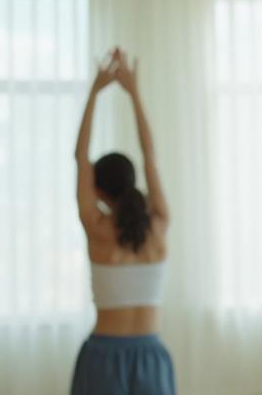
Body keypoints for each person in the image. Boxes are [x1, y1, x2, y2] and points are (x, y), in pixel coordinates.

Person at [71, 48, 175, 395]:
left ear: (98, 189)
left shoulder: (98, 229)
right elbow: (152, 158)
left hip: (104, 357)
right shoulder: (158, 225)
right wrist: (133, 93)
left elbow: (80, 157)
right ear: (133, 182)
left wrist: (95, 91)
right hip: (151, 355)